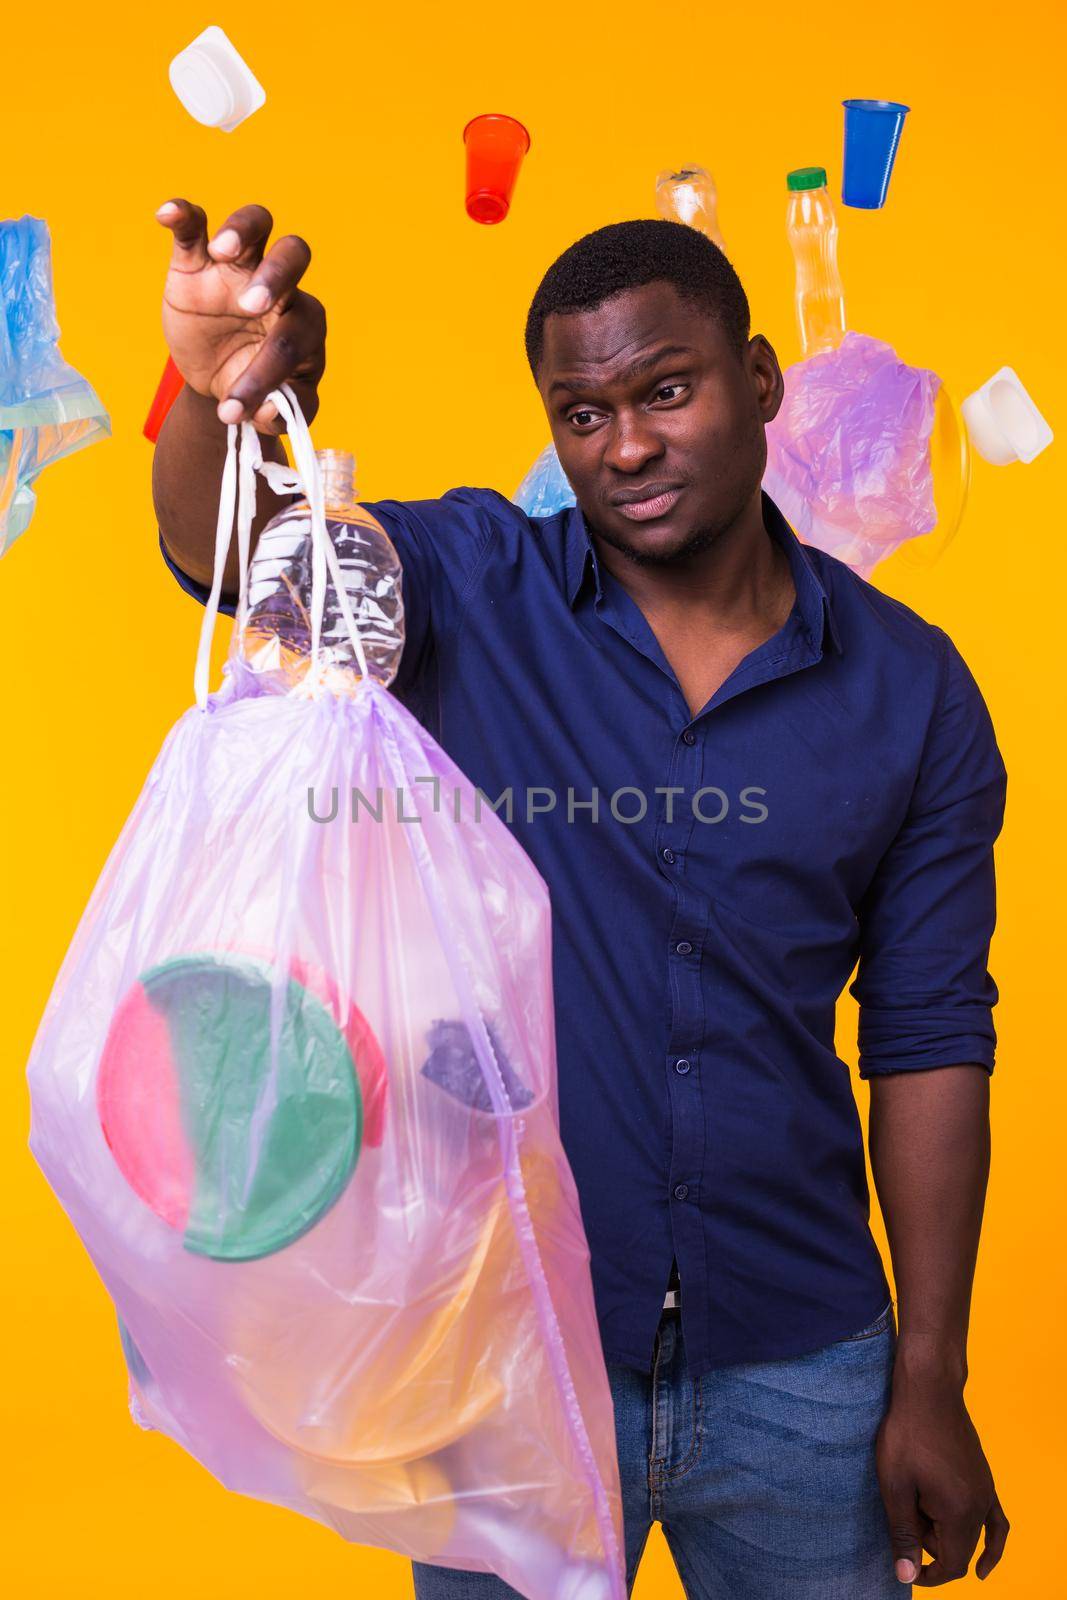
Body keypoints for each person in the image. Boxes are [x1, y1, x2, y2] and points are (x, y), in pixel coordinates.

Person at [152, 200, 1011, 1599]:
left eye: (665, 390)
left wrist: (929, 1374)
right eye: (581, 411)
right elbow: (242, 567)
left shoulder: (913, 692)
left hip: (808, 1371)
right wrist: (216, 396)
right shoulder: (469, 590)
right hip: (510, 1358)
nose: (624, 446)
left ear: (761, 380)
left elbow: (928, 1037)